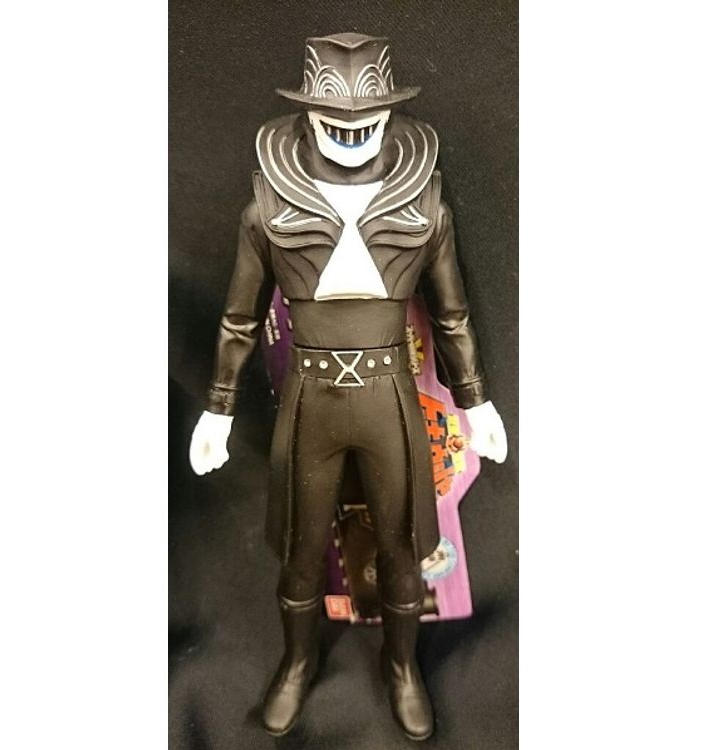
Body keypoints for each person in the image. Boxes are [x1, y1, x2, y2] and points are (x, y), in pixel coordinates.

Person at [189, 33, 507, 741]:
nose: (353, 129)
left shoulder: (425, 206)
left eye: (370, 115)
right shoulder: (268, 208)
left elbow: (451, 314)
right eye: (336, 114)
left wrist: (476, 398)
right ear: (307, 112)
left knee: (402, 546)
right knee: (302, 548)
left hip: (391, 396)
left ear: (391, 111)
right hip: (310, 400)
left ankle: (403, 667)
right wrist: (218, 408)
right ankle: (297, 664)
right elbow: (240, 317)